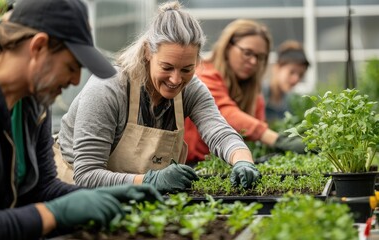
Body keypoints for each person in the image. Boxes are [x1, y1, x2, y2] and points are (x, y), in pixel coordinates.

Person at [0, 0, 163, 239]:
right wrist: (52, 214)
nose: (74, 81)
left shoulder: (34, 105)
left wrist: (101, 196)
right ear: (38, 46)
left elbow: (43, 188)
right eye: (71, 66)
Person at [57, 1, 260, 193]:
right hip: (75, 194)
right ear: (147, 52)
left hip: (137, 197)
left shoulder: (191, 89)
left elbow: (219, 132)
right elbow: (87, 176)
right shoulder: (108, 88)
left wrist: (242, 161)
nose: (176, 79)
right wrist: (150, 180)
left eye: (187, 69)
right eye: (167, 67)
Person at [184, 19, 306, 164]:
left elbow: (253, 127)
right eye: (247, 53)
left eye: (260, 57)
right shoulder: (205, 75)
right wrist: (277, 140)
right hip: (190, 166)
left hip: (220, 167)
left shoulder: (253, 92)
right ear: (228, 47)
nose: (254, 61)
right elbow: (224, 111)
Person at [262, 40, 310, 123]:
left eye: (301, 75)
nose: (296, 79)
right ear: (277, 68)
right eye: (291, 72)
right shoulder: (258, 94)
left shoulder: (291, 105)